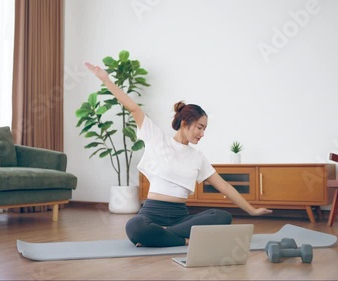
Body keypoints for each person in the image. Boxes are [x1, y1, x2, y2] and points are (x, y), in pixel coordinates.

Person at [84, 61, 272, 247]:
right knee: (135, 227)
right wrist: (106, 80)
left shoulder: (197, 157)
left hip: (181, 218)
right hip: (151, 214)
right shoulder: (157, 138)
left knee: (222, 217)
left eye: (204, 129)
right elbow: (134, 108)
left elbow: (224, 186)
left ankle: (161, 236)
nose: (202, 134)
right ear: (185, 123)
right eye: (200, 127)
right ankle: (180, 239)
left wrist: (252, 210)